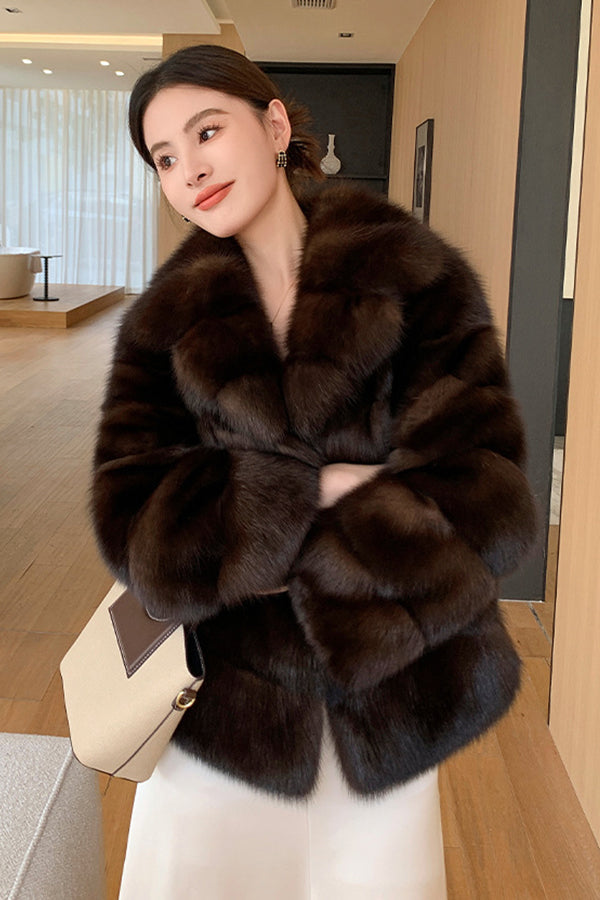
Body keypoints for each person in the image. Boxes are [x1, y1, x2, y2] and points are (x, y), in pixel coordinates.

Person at [91, 44, 536, 899]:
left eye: (206, 132)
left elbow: (486, 495)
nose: (190, 171)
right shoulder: (161, 326)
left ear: (274, 126)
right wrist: (318, 494)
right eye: (165, 158)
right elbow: (135, 526)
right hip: (225, 714)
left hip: (392, 699)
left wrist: (250, 540)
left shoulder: (417, 277)